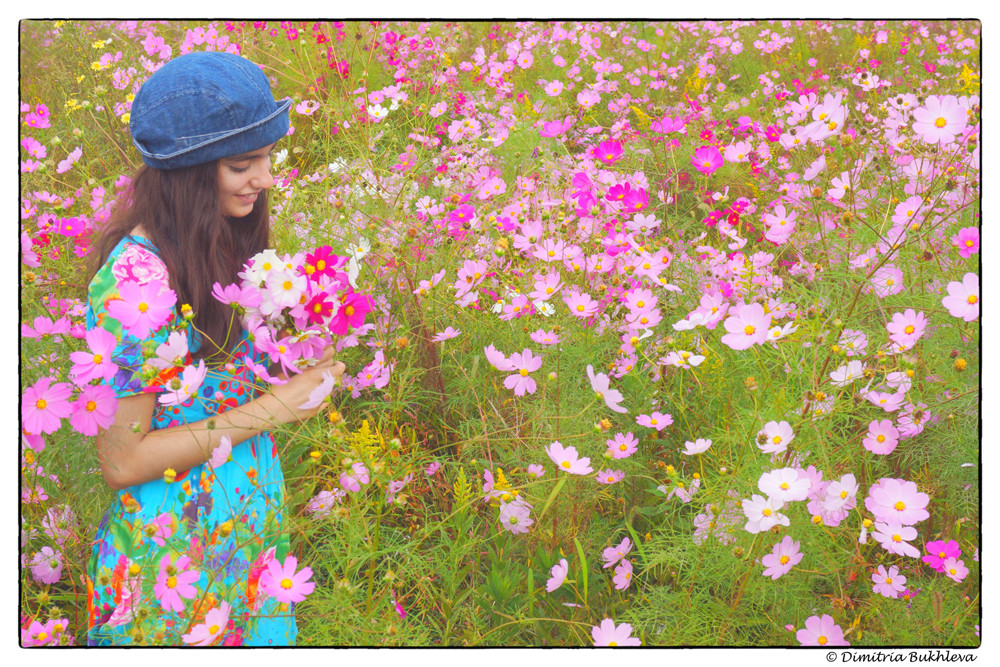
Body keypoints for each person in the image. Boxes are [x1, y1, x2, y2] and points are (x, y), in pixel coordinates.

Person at [84, 51, 343, 646]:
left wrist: (292, 355)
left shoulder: (213, 241)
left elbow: (210, 387)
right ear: (188, 173)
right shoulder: (134, 284)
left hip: (239, 532)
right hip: (174, 561)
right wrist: (278, 407)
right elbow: (122, 462)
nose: (266, 179)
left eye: (267, 157)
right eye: (242, 164)